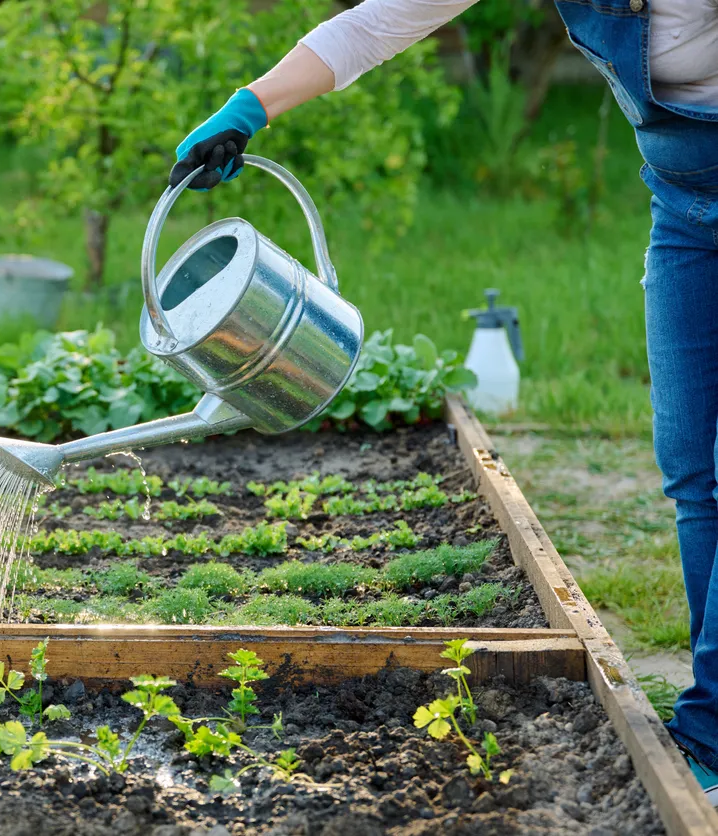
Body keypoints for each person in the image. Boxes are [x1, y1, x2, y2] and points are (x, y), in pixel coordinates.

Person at [171, 0, 718, 806]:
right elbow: (378, 23)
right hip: (682, 201)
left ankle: (708, 730)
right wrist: (247, 108)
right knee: (690, 467)